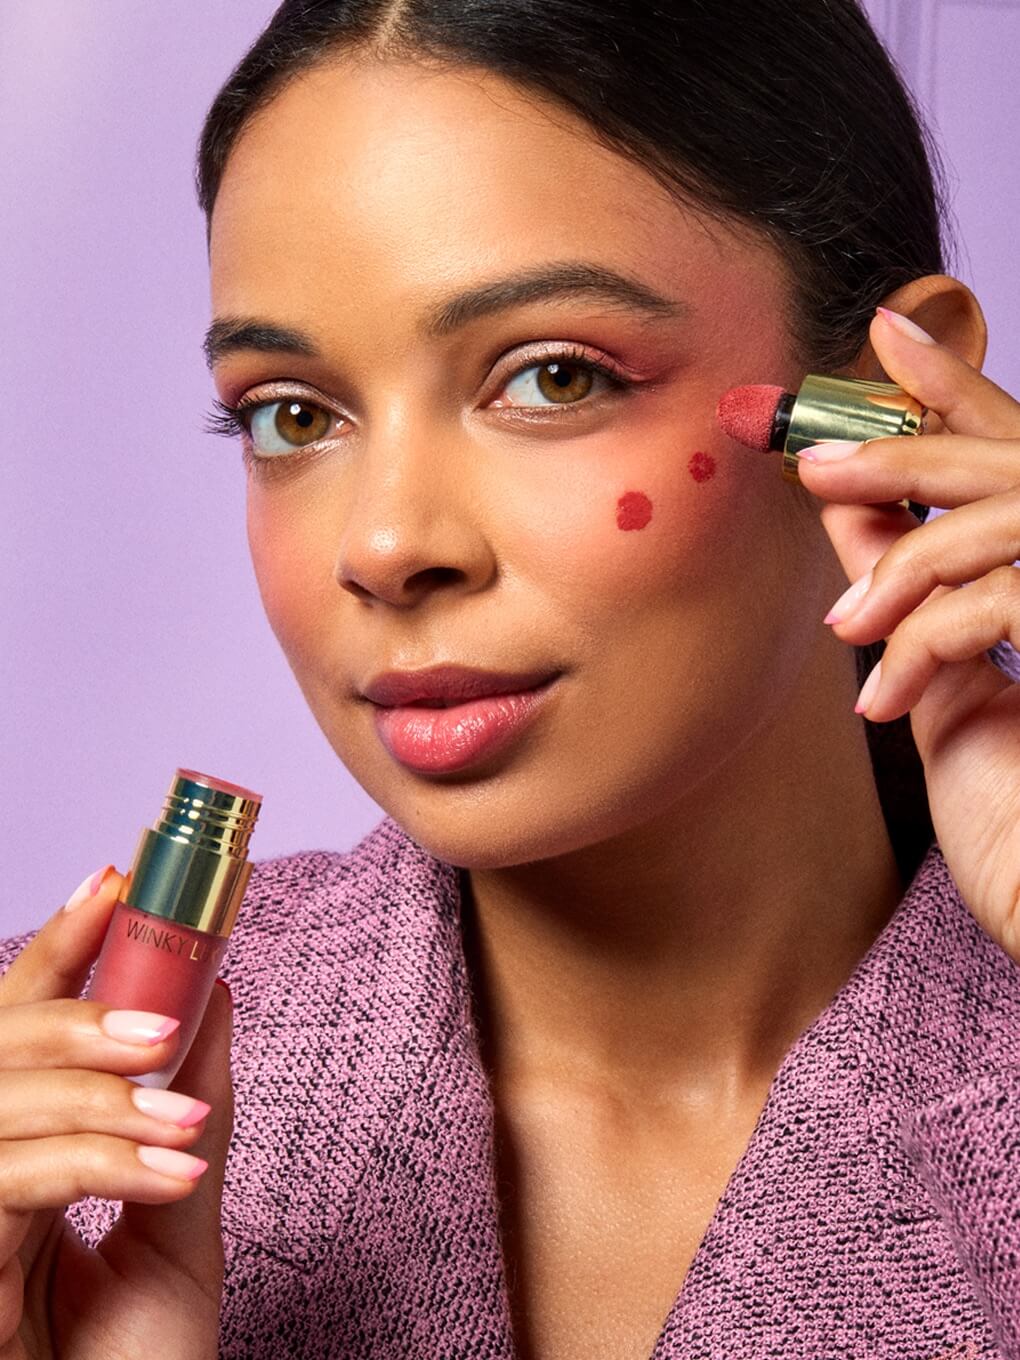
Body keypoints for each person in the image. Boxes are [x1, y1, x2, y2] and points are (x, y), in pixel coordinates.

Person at [2, 1, 1020, 1356]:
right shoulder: (49, 1152)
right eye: (291, 413)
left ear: (891, 396)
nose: (385, 545)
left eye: (550, 378)